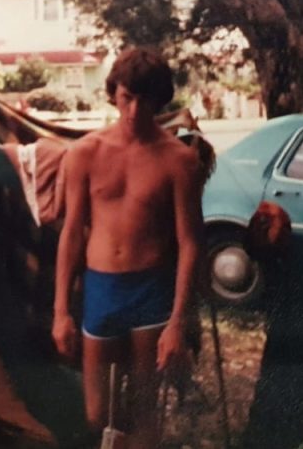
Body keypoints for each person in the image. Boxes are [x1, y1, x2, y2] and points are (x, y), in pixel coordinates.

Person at [52, 47, 204, 449]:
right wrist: (61, 311)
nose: (135, 111)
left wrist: (177, 323)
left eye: (145, 100)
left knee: (144, 411)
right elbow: (71, 232)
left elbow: (190, 242)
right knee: (96, 414)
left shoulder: (179, 160)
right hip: (102, 289)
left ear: (161, 100)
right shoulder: (84, 153)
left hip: (151, 291)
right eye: (126, 98)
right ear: (113, 94)